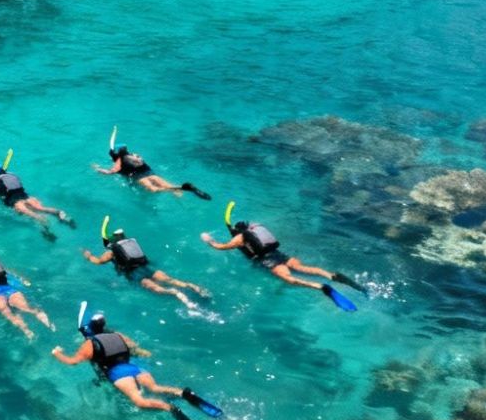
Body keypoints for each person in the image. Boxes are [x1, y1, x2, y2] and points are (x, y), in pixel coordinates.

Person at [50, 311, 221, 420]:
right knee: (155, 388)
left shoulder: (89, 344)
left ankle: (169, 407)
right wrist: (145, 353)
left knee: (139, 401)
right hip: (132, 367)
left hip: (117, 373)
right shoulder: (118, 336)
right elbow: (137, 349)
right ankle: (183, 393)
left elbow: (72, 362)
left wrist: (57, 354)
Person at [200, 202, 362, 311]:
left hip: (267, 261)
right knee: (302, 268)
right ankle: (331, 275)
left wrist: (209, 240)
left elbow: (220, 247)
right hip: (280, 255)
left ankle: (321, 287)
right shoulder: (256, 229)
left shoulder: (239, 239)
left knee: (288, 279)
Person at [82, 218, 210, 310]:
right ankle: (196, 288)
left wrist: (88, 256)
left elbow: (98, 262)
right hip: (148, 268)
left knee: (157, 289)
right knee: (173, 280)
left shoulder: (112, 251)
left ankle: (175, 293)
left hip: (135, 274)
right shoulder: (130, 243)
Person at [0, 155, 72, 232]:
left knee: (33, 215)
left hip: (15, 202)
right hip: (26, 196)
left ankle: (45, 226)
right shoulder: (13, 174)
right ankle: (60, 213)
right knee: (42, 208)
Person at [93, 130, 211, 199]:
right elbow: (139, 161)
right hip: (148, 171)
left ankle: (177, 189)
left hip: (138, 176)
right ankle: (181, 188)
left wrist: (98, 169)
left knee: (153, 189)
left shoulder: (118, 161)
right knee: (166, 184)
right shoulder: (134, 154)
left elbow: (111, 171)